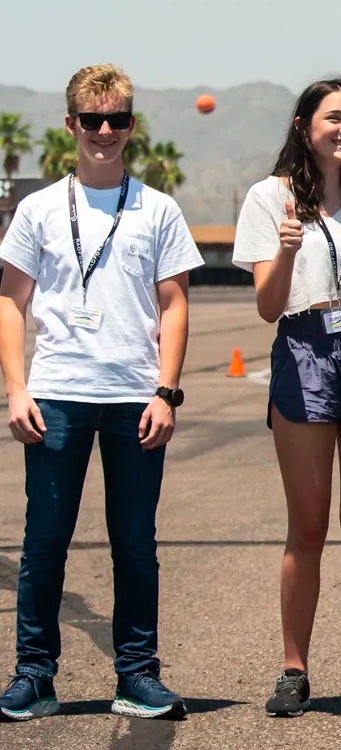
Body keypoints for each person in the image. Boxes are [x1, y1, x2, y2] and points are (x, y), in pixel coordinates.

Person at [0, 65, 203, 721]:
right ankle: (35, 675)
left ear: (132, 126)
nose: (106, 131)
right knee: (43, 544)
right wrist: (15, 388)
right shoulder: (37, 210)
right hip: (55, 395)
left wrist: (167, 392)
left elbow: (174, 306)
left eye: (118, 119)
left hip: (134, 397)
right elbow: (11, 303)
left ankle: (137, 675)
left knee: (135, 545)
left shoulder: (158, 208)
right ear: (71, 126)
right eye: (93, 120)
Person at [231, 77, 341, 718]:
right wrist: (283, 250)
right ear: (304, 125)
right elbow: (267, 307)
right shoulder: (269, 197)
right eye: (333, 118)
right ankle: (294, 670)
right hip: (303, 345)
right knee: (307, 524)